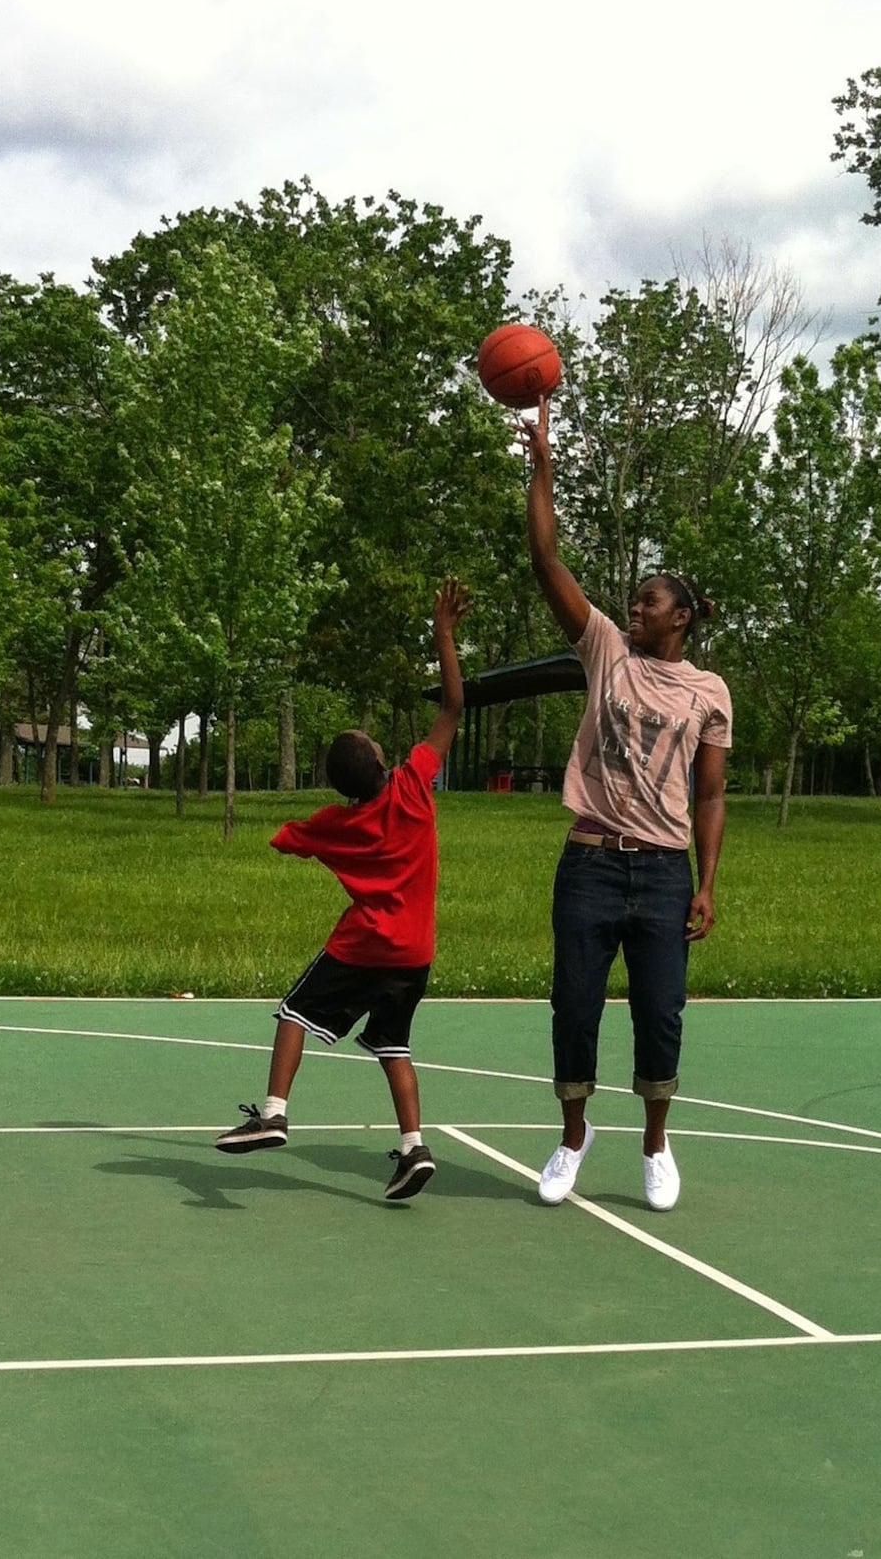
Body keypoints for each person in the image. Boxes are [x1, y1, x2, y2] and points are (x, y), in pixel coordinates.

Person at [520, 397, 730, 1212]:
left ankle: (655, 1141)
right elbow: (546, 559)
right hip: (590, 862)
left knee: (659, 1015)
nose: (634, 608)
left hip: (665, 874)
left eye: (649, 602)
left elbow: (709, 792)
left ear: (681, 618)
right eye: (634, 601)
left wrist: (707, 882)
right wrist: (542, 465)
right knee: (572, 1006)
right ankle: (574, 1137)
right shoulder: (606, 647)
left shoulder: (708, 690)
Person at [214, 577, 473, 1202]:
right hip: (415, 954)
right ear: (385, 762)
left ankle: (274, 1111)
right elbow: (454, 709)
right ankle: (414, 1148)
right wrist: (444, 633)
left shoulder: (334, 825)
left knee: (294, 1012)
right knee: (392, 1043)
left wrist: (305, 832)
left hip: (362, 948)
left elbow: (284, 838)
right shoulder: (414, 788)